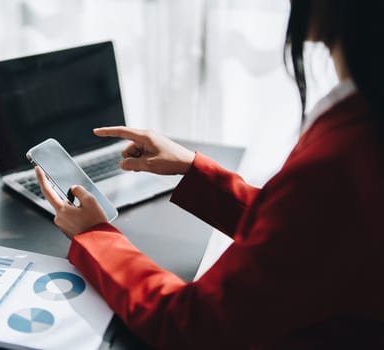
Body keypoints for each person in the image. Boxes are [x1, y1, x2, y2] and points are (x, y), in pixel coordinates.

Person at [35, 1, 384, 349]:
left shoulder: (336, 161)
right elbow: (309, 235)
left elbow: (191, 324)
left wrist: (95, 236)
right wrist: (195, 170)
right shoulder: (362, 125)